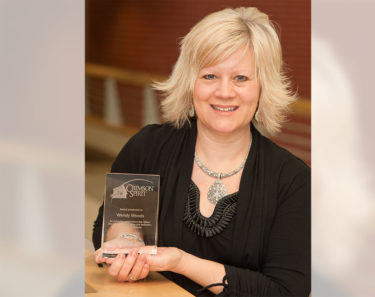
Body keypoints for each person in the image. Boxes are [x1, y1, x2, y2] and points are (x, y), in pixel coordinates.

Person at [92, 7, 310, 297]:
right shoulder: (149, 148)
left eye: (241, 78)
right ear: (189, 82)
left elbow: (286, 290)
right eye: (209, 76)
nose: (224, 91)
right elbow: (112, 220)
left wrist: (182, 262)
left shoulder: (292, 181)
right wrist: (126, 241)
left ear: (263, 87)